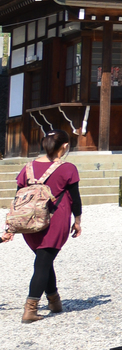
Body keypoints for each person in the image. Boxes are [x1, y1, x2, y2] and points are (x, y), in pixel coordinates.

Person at [5, 133, 82, 322]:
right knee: (42, 263)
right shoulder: (67, 168)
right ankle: (30, 309)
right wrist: (78, 221)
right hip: (54, 221)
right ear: (64, 146)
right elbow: (76, 199)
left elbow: (18, 197)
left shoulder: (27, 168)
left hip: (28, 222)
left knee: (44, 261)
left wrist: (11, 226)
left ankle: (54, 301)